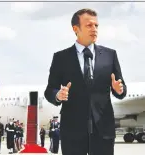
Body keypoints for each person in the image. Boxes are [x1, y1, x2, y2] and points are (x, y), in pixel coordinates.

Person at [44, 8, 127, 155]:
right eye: (89, 25)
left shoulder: (110, 55)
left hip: (103, 129)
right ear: (76, 29)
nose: (94, 29)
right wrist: (58, 95)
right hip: (72, 130)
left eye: (96, 25)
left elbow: (121, 88)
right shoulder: (61, 58)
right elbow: (50, 90)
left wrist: (119, 89)